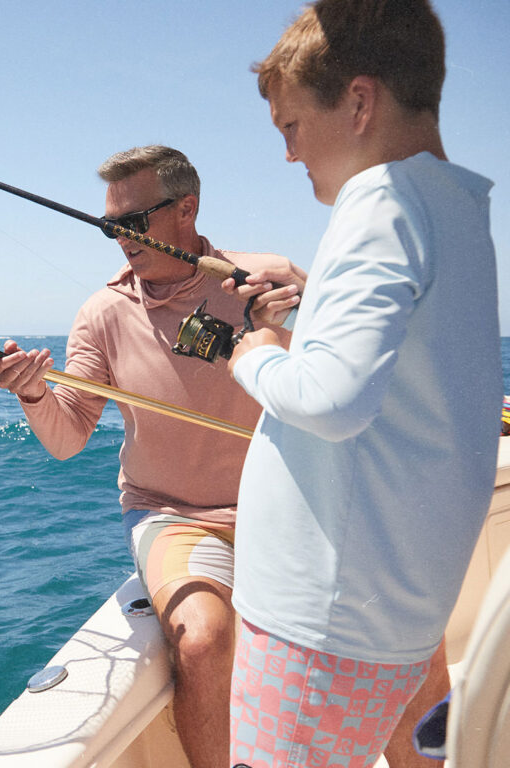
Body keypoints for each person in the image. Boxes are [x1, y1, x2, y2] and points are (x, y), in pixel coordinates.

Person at [224, 2, 503, 767]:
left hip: (317, 626)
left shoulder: (377, 202)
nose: (287, 154)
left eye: (289, 127)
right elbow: (416, 356)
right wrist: (318, 294)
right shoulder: (453, 204)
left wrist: (253, 350)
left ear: (358, 101)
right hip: (388, 614)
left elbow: (332, 399)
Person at [0, 145, 302, 768]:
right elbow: (67, 436)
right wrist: (32, 392)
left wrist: (305, 309)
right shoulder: (103, 314)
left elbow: (344, 370)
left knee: (378, 622)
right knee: (203, 640)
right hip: (173, 515)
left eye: (132, 222)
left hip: (289, 506)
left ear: (186, 209)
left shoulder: (268, 276)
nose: (118, 238)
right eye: (110, 225)